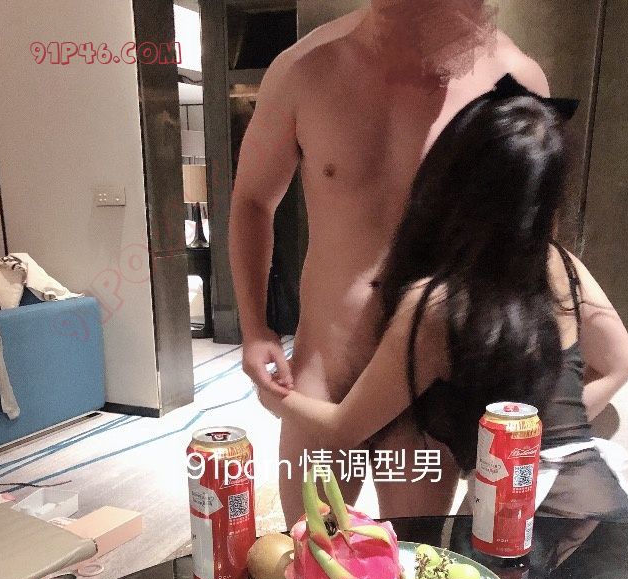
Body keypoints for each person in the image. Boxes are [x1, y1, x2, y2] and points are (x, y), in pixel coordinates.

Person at [258, 82, 628, 524]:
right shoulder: (562, 264)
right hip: (606, 504)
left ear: (450, 180)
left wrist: (273, 397)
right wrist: (540, 433)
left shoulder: (439, 304)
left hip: (516, 520)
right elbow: (622, 362)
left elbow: (344, 428)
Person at [230, 0, 550, 526]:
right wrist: (253, 327)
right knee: (314, 551)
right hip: (323, 368)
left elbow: (526, 245)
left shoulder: (513, 81)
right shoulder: (305, 69)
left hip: (424, 380)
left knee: (415, 555)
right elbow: (252, 200)